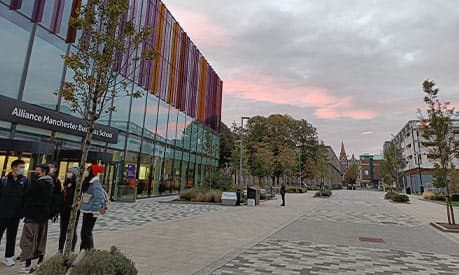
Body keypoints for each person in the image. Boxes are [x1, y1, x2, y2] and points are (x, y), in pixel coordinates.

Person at [19, 164, 53, 273]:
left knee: (27, 239)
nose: (35, 172)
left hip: (32, 215)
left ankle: (27, 264)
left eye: (37, 171)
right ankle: (39, 260)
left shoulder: (37, 183)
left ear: (43, 172)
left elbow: (28, 196)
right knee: (40, 238)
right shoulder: (51, 183)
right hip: (44, 216)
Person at [0, 160, 29, 267]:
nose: (23, 169)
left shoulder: (25, 180)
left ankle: (8, 257)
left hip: (15, 215)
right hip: (2, 213)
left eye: (23, 167)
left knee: (11, 236)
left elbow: (26, 197)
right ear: (14, 168)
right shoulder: (4, 180)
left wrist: (22, 212)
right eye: (21, 167)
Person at [80, 164, 107, 251]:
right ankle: (83, 251)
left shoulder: (95, 183)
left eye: (88, 170)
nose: (86, 172)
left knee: (86, 232)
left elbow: (99, 197)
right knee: (84, 233)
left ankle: (90, 251)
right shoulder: (89, 182)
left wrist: (95, 209)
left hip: (91, 211)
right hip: (87, 209)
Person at [58, 167, 80, 253]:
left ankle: (71, 249)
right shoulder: (66, 184)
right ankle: (60, 249)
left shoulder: (77, 185)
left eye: (71, 172)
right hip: (64, 210)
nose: (68, 174)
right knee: (62, 230)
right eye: (68, 172)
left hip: (73, 210)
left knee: (72, 230)